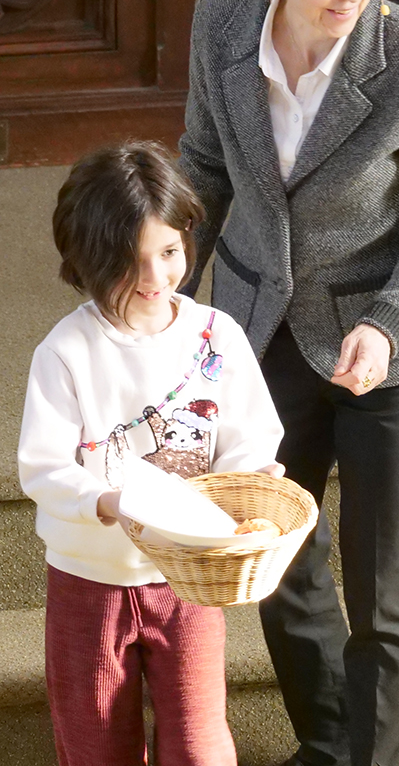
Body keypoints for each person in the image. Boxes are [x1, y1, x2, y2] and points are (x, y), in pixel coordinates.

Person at [177, 0, 399, 766]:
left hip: (390, 340)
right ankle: (329, 742)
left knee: (386, 591)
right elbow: (200, 166)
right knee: (274, 553)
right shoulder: (219, 24)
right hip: (259, 330)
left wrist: (385, 324)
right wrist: (167, 309)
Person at [18, 141, 284, 766]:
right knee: (94, 741)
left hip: (186, 579)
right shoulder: (66, 351)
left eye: (169, 253)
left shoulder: (217, 335)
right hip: (89, 578)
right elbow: (44, 467)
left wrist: (250, 482)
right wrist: (107, 499)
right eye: (129, 261)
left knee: (199, 741)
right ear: (85, 260)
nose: (156, 278)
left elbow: (249, 434)